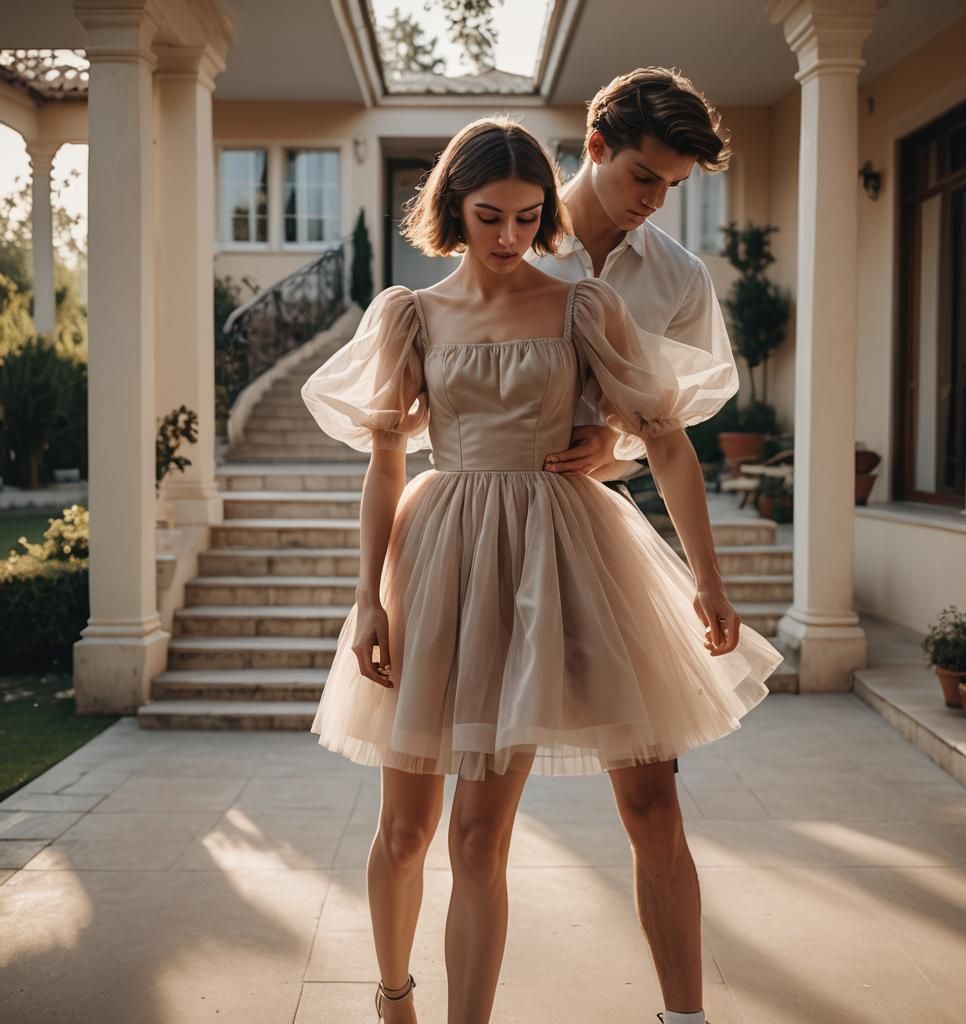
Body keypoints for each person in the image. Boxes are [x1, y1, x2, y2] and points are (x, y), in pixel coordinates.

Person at [301, 115, 783, 1024]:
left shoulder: (581, 307)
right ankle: (393, 998)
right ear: (453, 207)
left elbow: (666, 441)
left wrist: (709, 580)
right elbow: (387, 462)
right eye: (490, 216)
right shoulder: (410, 315)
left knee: (479, 836)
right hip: (439, 559)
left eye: (528, 217)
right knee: (405, 831)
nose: (511, 236)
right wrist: (366, 597)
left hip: (552, 556)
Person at [529, 67, 741, 1024]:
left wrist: (708, 579)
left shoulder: (678, 278)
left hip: (598, 539)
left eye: (673, 186)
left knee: (653, 800)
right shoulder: (512, 237)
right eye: (643, 176)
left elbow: (667, 434)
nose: (655, 201)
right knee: (473, 814)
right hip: (488, 535)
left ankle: (684, 1017)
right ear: (597, 145)